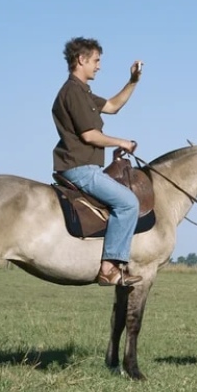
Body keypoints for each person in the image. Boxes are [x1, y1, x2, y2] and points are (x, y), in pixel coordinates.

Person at [52, 37, 144, 286]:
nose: (99, 66)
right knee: (128, 204)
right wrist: (121, 142)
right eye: (96, 60)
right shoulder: (72, 92)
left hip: (85, 165)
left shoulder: (83, 92)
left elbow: (113, 106)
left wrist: (133, 81)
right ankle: (109, 268)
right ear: (81, 60)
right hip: (80, 168)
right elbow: (89, 135)